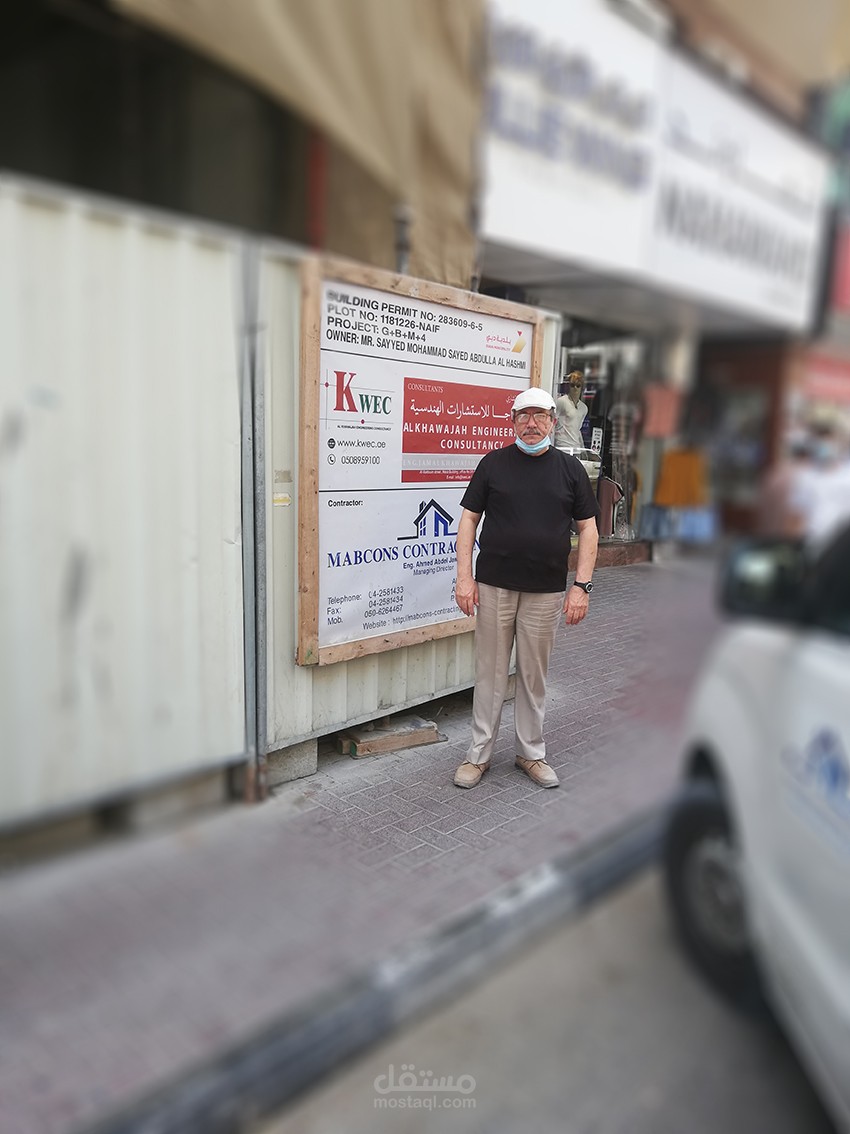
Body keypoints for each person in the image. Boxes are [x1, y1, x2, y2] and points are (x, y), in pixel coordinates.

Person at [453, 387, 599, 789]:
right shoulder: (493, 464)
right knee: (490, 675)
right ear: (512, 421)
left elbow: (588, 529)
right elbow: (468, 520)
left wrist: (581, 586)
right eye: (524, 416)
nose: (531, 424)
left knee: (534, 676)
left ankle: (530, 754)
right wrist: (464, 577)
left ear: (553, 421)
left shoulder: (570, 470)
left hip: (545, 591)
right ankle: (478, 756)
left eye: (540, 416)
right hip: (494, 586)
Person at [554, 371, 588, 452]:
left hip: (576, 448)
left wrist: (583, 450)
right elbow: (552, 424)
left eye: (578, 385)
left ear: (582, 388)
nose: (575, 388)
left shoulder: (584, 408)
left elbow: (578, 429)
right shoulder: (561, 401)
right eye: (572, 385)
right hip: (562, 446)